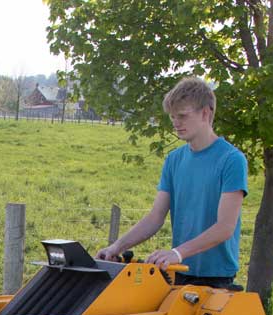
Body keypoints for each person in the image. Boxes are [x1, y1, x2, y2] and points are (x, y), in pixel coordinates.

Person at [96, 77, 247, 288]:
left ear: (205, 113)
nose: (176, 123)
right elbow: (155, 217)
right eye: (173, 117)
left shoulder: (231, 160)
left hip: (215, 281)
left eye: (183, 116)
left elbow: (225, 227)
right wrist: (117, 247)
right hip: (178, 274)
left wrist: (178, 253)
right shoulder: (174, 159)